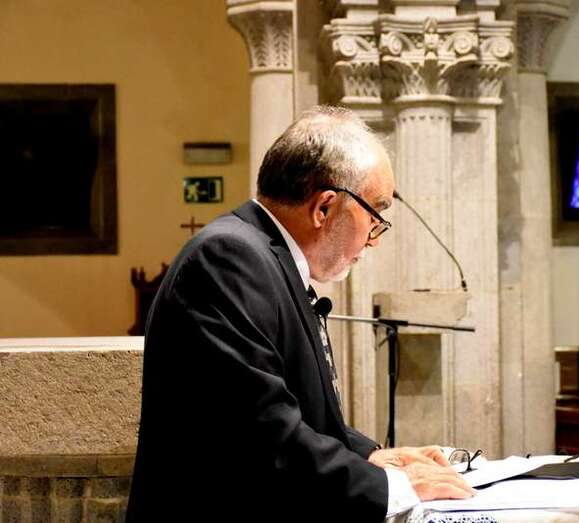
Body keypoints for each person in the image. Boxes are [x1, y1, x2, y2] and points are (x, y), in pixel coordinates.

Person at [126, 106, 474, 521]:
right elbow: (263, 436)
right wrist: (395, 489)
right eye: (375, 217)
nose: (374, 239)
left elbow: (299, 412)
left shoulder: (261, 256)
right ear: (324, 208)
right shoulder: (229, 259)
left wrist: (377, 457)